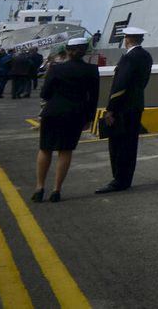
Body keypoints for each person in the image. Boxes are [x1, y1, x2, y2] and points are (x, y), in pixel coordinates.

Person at [33, 37, 100, 204]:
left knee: (45, 149)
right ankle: (56, 190)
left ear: (68, 51)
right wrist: (89, 118)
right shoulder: (92, 70)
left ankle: (39, 188)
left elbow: (45, 93)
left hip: (53, 112)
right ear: (85, 51)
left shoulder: (56, 69)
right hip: (75, 114)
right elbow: (93, 97)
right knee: (65, 151)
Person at [96, 26, 152, 194]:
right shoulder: (146, 56)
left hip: (123, 108)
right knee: (130, 144)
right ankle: (126, 179)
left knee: (118, 144)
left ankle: (118, 180)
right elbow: (143, 81)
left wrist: (111, 109)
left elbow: (120, 85)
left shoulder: (129, 58)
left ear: (127, 39)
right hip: (136, 105)